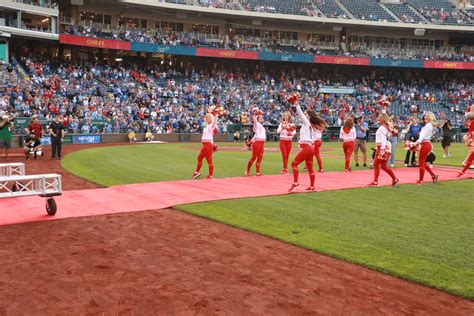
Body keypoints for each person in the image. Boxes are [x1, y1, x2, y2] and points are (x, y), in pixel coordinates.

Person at [288, 96, 327, 193]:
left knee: (294, 164)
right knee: (310, 168)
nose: (304, 115)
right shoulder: (311, 126)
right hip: (310, 148)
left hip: (307, 148)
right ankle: (312, 186)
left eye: (306, 114)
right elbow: (313, 138)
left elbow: (300, 113)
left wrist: (296, 104)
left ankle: (296, 183)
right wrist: (303, 141)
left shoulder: (306, 123)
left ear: (308, 116)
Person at [369, 114, 399, 186]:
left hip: (382, 148)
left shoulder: (382, 128)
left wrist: (382, 149)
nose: (378, 118)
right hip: (386, 148)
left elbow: (383, 139)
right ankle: (394, 179)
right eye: (378, 117)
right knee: (383, 166)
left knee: (376, 165)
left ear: (383, 119)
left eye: (380, 117)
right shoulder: (386, 127)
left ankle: (375, 181)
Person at [414, 112, 439, 185]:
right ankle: (433, 175)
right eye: (425, 116)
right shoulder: (428, 125)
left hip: (425, 144)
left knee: (421, 162)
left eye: (427, 116)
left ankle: (421, 180)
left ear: (430, 118)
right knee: (423, 162)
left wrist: (415, 143)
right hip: (426, 144)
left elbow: (422, 137)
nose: (426, 117)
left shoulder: (428, 125)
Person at [193, 112, 218, 180]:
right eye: (205, 117)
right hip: (205, 145)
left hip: (208, 145)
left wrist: (216, 115)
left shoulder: (211, 126)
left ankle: (210, 176)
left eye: (207, 117)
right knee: (199, 158)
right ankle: (197, 172)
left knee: (209, 161)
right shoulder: (207, 126)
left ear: (211, 118)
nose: (206, 118)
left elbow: (214, 122)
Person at [245, 108, 265, 176]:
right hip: (258, 143)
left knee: (260, 157)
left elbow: (256, 135)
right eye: (260, 117)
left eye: (262, 117)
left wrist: (251, 141)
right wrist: (255, 114)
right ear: (258, 119)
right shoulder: (257, 124)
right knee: (254, 157)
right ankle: (247, 170)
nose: (261, 118)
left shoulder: (262, 126)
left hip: (262, 143)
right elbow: (254, 120)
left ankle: (257, 171)